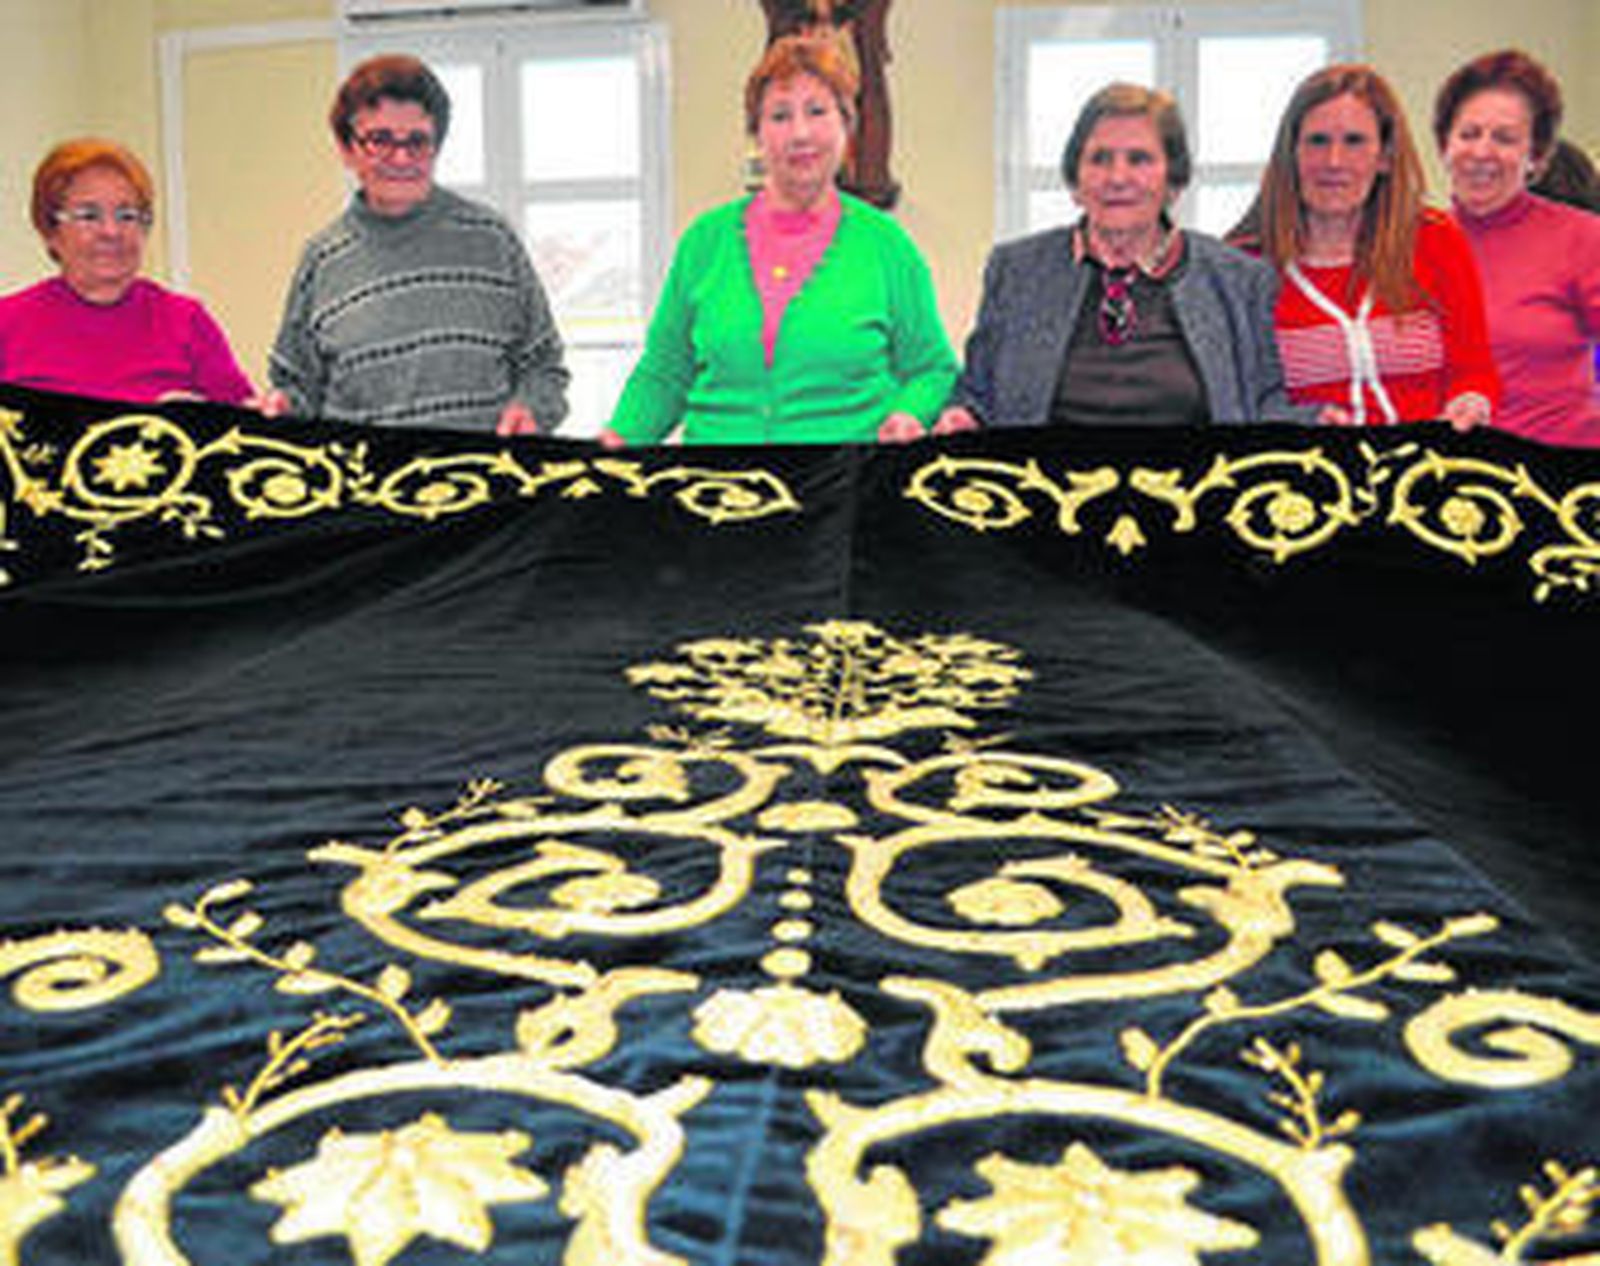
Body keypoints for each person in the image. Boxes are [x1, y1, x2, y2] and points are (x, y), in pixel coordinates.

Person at [601, 32, 955, 446]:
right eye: (780, 116)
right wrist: (617, 438)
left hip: (845, 489)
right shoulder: (704, 241)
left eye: (818, 111)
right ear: (757, 134)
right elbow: (665, 373)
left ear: (847, 126)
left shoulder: (887, 245)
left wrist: (909, 413)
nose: (800, 133)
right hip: (715, 490)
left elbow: (933, 369)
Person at [936, 82, 1295, 434]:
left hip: (1193, 489)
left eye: (1139, 159)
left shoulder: (1239, 280)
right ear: (1076, 180)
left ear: (1174, 180)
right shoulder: (1016, 271)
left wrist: (1316, 422)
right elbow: (977, 394)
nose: (1117, 177)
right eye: (1099, 159)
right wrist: (961, 416)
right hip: (1044, 489)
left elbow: (1267, 404)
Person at [268, 54, 568, 435]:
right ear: (347, 149)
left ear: (436, 146)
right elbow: (297, 390)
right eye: (379, 140)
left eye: (417, 141)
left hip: (487, 485)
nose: (401, 157)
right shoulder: (321, 260)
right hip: (368, 489)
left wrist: (532, 410)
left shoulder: (493, 240)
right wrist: (281, 407)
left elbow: (544, 365)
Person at [1243, 64, 1499, 431]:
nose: (1334, 162)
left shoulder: (1436, 238)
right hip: (1308, 475)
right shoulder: (1245, 264)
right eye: (1317, 141)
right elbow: (1239, 401)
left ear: (1384, 156)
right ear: (1292, 153)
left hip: (1427, 470)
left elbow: (1474, 371)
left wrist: (1470, 403)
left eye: (1354, 142)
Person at [0, 138, 255, 406]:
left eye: (127, 216)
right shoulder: (7, 324)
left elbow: (241, 424)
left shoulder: (187, 322)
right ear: (50, 231)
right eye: (89, 215)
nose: (111, 232)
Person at [1434, 51, 1600, 445]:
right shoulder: (1412, 243)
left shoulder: (1583, 238)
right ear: (1445, 145)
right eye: (1469, 134)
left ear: (1536, 156)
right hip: (1440, 479)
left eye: (1505, 138)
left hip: (1557, 479)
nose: (1482, 152)